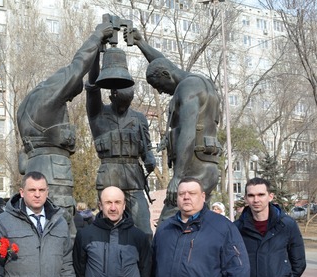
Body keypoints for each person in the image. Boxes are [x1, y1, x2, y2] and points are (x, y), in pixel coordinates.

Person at [17, 23, 114, 230]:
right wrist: (97, 36)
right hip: (54, 173)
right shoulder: (49, 96)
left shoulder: (25, 105)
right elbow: (77, 66)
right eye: (70, 94)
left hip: (34, 166)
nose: (69, 98)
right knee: (61, 228)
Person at [127, 29, 222, 222]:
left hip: (193, 171)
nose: (161, 92)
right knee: (198, 227)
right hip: (208, 168)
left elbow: (188, 130)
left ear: (165, 75)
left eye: (159, 86)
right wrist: (141, 44)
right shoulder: (201, 83)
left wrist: (177, 177)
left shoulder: (187, 88)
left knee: (166, 227)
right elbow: (164, 65)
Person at [149, 177, 250, 277]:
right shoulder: (164, 230)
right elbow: (155, 272)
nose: (186, 197)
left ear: (203, 196)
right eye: (182, 193)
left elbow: (239, 274)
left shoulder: (223, 228)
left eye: (192, 193)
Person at [85, 49, 156, 236]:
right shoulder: (98, 114)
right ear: (111, 95)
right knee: (106, 232)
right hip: (109, 175)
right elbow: (92, 87)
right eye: (121, 104)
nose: (124, 108)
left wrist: (150, 158)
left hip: (134, 177)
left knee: (144, 230)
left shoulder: (139, 118)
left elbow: (147, 147)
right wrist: (95, 57)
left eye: (128, 103)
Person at [234, 177, 306, 277]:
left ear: (270, 196)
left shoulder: (287, 225)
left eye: (261, 194)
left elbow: (299, 262)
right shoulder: (237, 229)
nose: (256, 200)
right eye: (251, 196)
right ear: (245, 198)